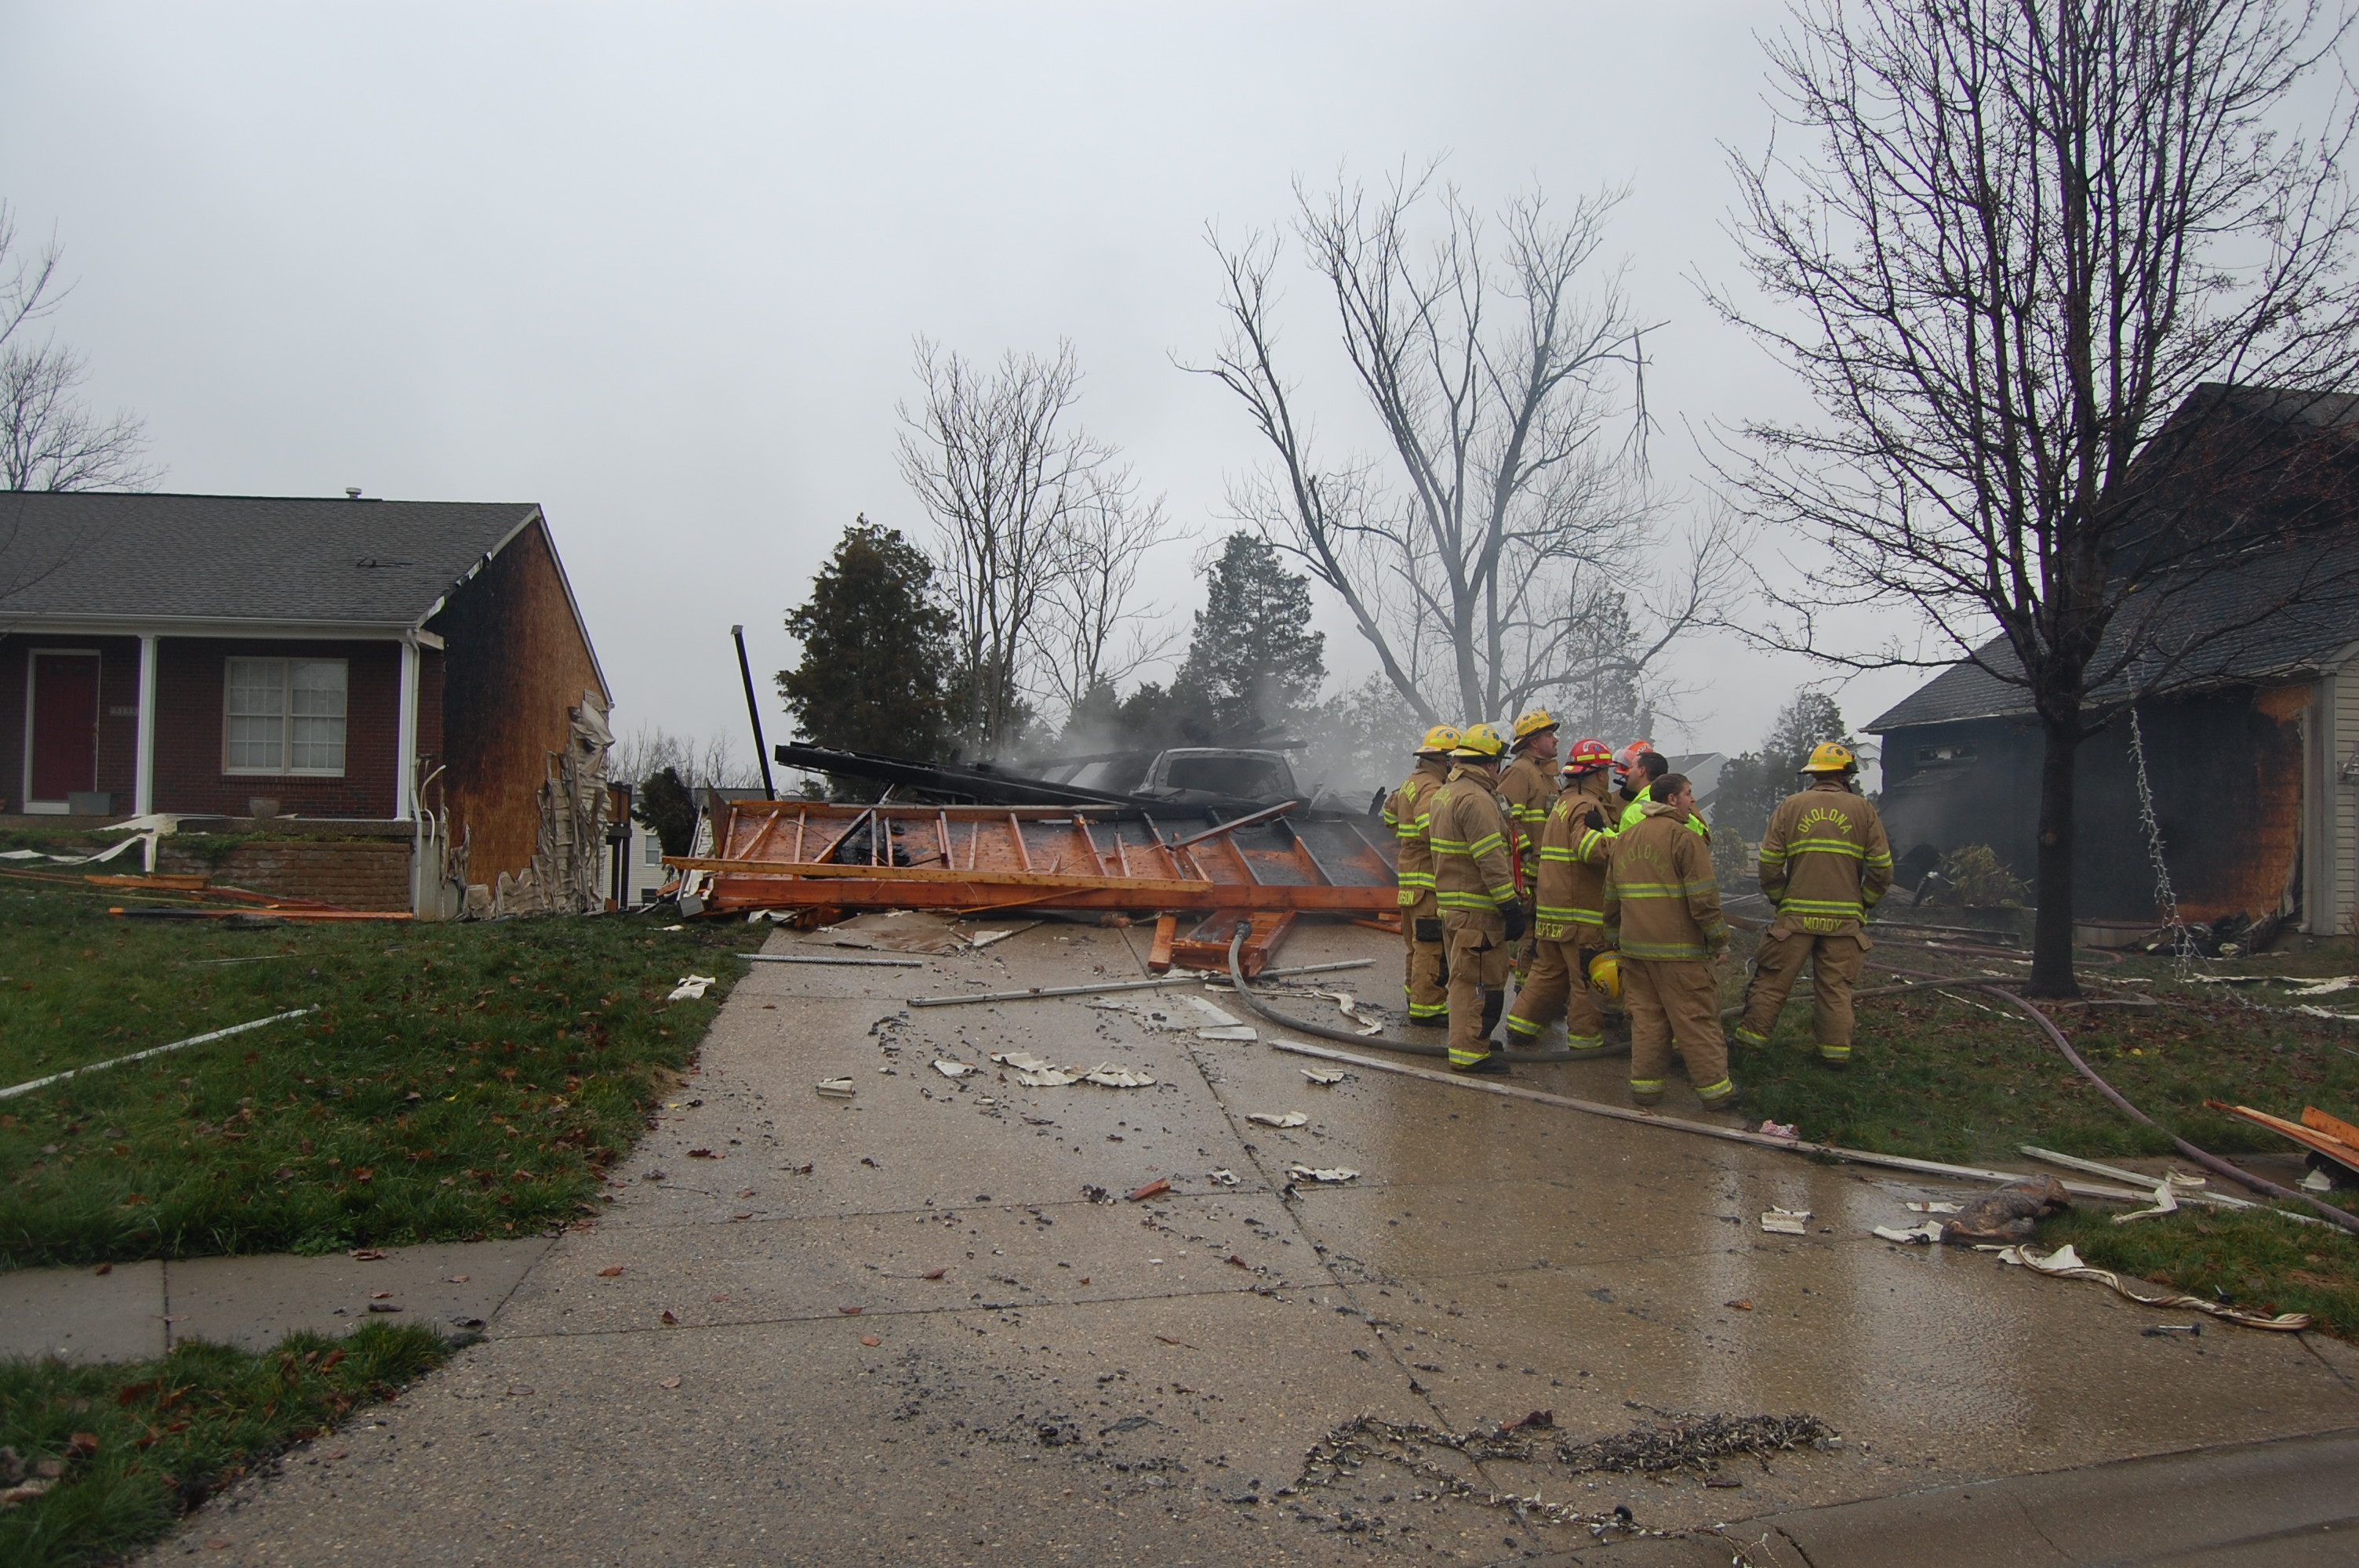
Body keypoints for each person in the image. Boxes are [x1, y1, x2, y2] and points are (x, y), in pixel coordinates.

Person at [1734, 741, 1894, 1069]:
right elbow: (1882, 869)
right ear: (1844, 776)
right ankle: (1834, 1056)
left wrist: (1780, 898)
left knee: (1772, 982)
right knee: (1835, 988)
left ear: (1815, 774)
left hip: (1795, 917)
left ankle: (1749, 1048)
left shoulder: (1791, 806)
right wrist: (1864, 903)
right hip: (1844, 920)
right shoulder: (1864, 810)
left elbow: (1769, 864)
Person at [1603, 772, 1739, 1111]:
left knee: (1647, 1021)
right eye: (1688, 794)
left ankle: (1646, 1091)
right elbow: (1703, 899)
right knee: (1695, 1019)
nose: (1693, 800)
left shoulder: (1625, 839)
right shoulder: (1685, 838)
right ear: (1672, 800)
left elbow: (1611, 898)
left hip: (1635, 951)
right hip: (1680, 953)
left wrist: (1614, 939)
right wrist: (1720, 940)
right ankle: (1717, 1094)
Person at [1503, 737, 1618, 1052]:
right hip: (1580, 914)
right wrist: (1623, 840)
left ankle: (1521, 1027)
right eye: (1606, 772)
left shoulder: (1563, 803)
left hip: (1553, 911)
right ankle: (1586, 1040)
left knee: (1547, 973)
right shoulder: (1587, 805)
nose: (1608, 778)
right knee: (1585, 978)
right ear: (1598, 775)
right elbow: (1589, 849)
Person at [1425, 723, 1524, 1074]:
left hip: (1455, 908)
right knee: (1480, 983)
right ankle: (1469, 1051)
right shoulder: (1477, 800)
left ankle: (1471, 1038)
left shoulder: (1446, 793)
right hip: (1477, 912)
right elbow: (1490, 859)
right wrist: (1510, 905)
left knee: (1464, 979)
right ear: (1490, 763)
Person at [1382, 724, 1461, 1028]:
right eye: (1454, 759)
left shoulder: (1410, 783)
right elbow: (1433, 829)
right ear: (1445, 759)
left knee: (1416, 946)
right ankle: (1427, 1008)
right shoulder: (1433, 788)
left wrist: (1407, 838)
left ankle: (1415, 997)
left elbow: (1389, 814)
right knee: (1431, 946)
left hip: (1409, 881)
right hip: (1428, 881)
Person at [1499, 710, 1561, 978]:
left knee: (1543, 941)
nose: (1556, 740)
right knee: (1531, 941)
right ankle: (1525, 992)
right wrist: (1524, 850)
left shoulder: (1547, 776)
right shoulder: (1520, 771)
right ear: (1534, 742)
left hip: (1545, 874)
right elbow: (1504, 815)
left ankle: (1534, 991)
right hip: (1528, 876)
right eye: (1549, 735)